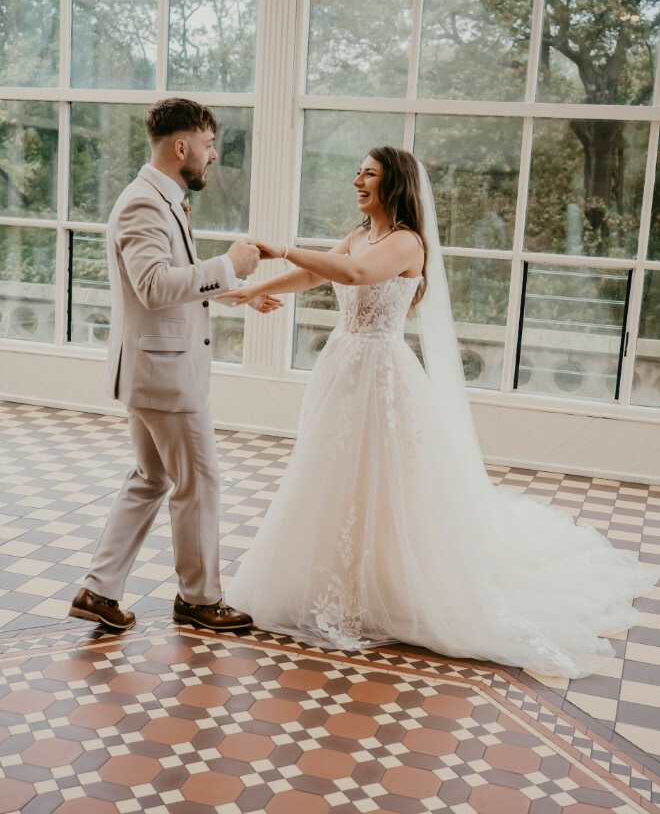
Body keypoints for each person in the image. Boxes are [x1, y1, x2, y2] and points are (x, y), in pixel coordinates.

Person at [218, 145, 657, 678]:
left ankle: (388, 586)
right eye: (357, 170)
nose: (358, 179)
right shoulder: (360, 232)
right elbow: (318, 277)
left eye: (370, 173)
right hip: (342, 368)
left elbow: (356, 275)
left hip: (381, 373)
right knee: (330, 474)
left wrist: (283, 248)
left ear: (394, 183)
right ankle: (329, 579)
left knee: (387, 480)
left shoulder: (405, 242)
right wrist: (252, 291)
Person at [69, 98, 280, 632]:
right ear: (182, 146)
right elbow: (155, 285)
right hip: (164, 374)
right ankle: (199, 598)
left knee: (151, 477)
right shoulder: (143, 202)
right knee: (200, 481)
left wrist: (237, 290)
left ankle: (98, 589)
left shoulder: (161, 198)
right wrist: (227, 264)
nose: (212, 157)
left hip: (148, 368)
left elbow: (172, 279)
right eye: (208, 146)